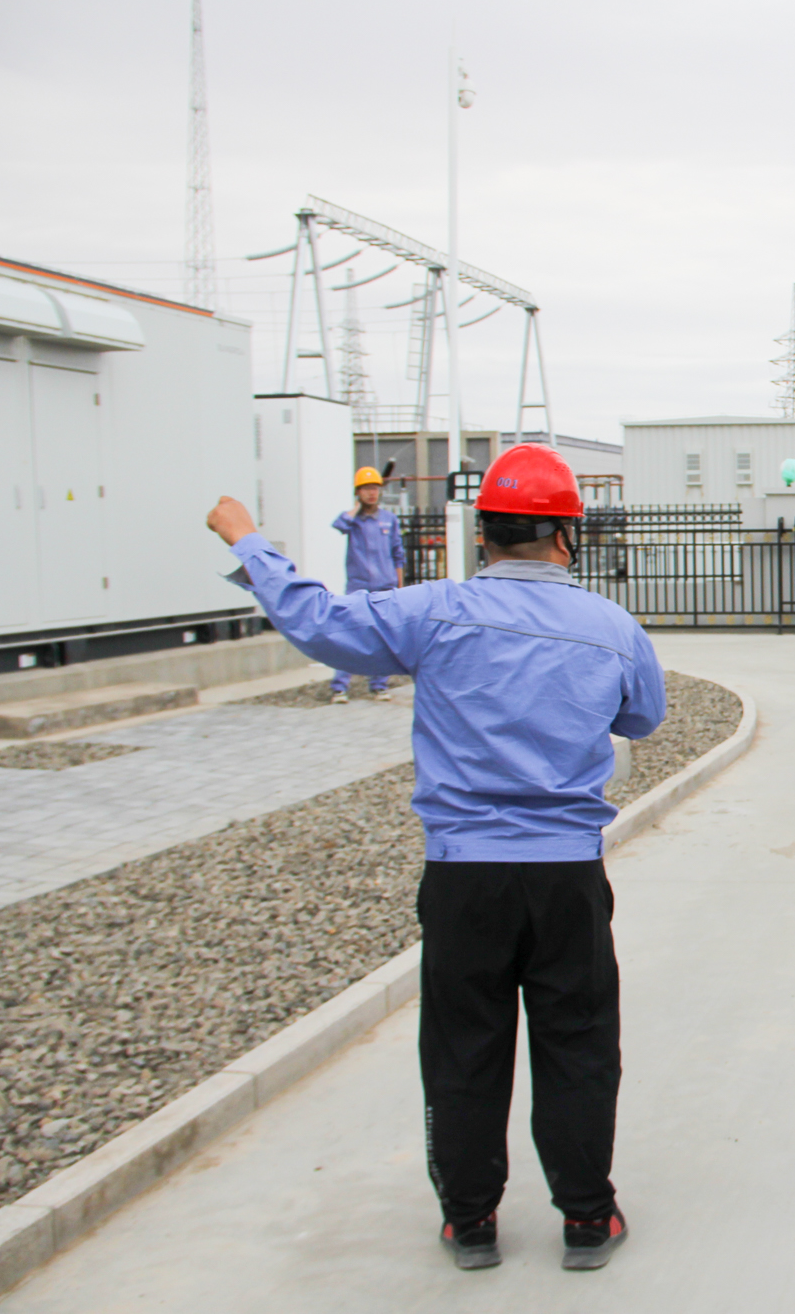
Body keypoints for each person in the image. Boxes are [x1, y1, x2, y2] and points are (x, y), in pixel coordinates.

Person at [205, 443, 661, 1272]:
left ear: (483, 532)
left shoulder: (435, 612)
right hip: (566, 874)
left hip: (463, 874)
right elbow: (642, 718)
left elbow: (321, 623)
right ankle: (588, 1216)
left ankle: (471, 1219)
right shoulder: (612, 627)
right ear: (568, 535)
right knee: (580, 1040)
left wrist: (249, 540)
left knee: (464, 1043)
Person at [328, 466, 407, 702]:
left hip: (385, 587)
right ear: (358, 492)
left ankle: (379, 686)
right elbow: (338, 525)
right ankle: (340, 687)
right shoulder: (353, 521)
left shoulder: (389, 519)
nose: (371, 493)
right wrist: (356, 508)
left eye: (375, 488)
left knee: (385, 639)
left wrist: (399, 586)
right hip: (358, 588)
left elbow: (398, 554)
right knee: (349, 636)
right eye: (366, 489)